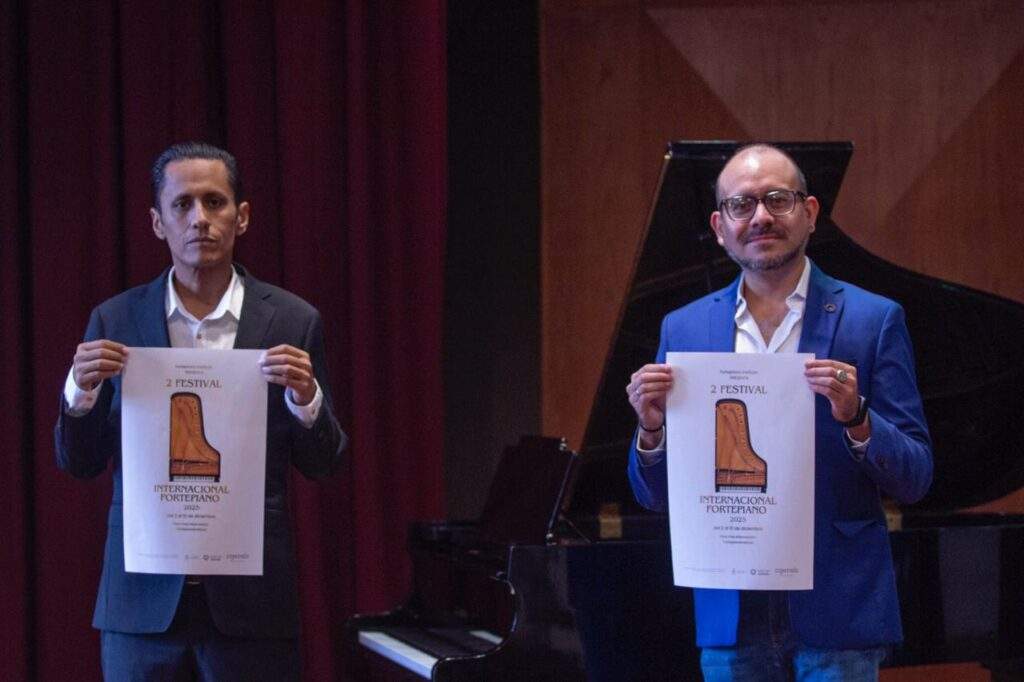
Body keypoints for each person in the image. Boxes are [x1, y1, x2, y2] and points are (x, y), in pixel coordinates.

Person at [626, 144, 932, 681]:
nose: (761, 216)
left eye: (777, 199)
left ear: (809, 213)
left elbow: (916, 476)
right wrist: (651, 430)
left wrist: (858, 417)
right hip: (730, 613)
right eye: (742, 205)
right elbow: (651, 495)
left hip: (836, 610)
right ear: (720, 227)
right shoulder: (683, 328)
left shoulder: (873, 320)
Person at [55, 141, 347, 681]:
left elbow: (323, 463)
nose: (200, 219)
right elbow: (80, 463)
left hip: (252, 609)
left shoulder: (293, 321)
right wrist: (79, 391)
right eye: (182, 204)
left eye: (214, 202)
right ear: (157, 223)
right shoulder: (115, 319)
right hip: (141, 607)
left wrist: (307, 399)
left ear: (242, 216)